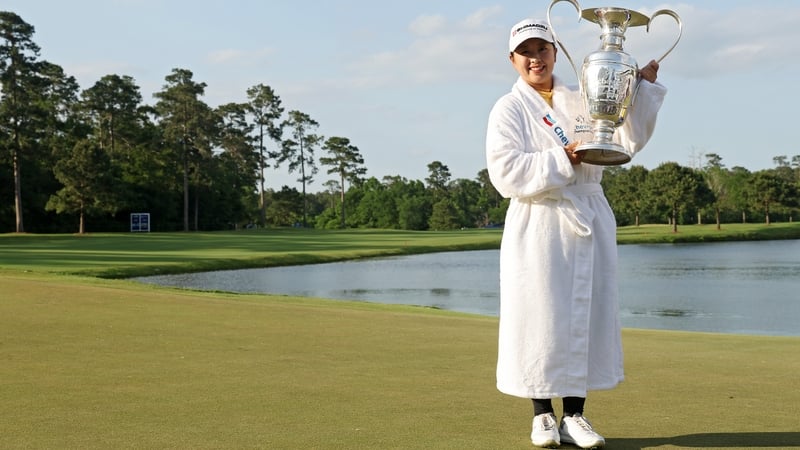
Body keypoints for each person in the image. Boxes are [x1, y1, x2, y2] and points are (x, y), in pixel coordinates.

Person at [485, 17, 666, 449]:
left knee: (584, 312)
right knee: (539, 315)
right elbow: (505, 173)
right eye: (526, 52)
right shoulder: (508, 110)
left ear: (555, 53)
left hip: (587, 213)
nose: (536, 59)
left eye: (542, 50)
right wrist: (560, 159)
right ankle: (542, 415)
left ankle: (577, 417)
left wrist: (634, 93)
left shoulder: (581, 97)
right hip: (538, 221)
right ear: (512, 59)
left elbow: (624, 140)